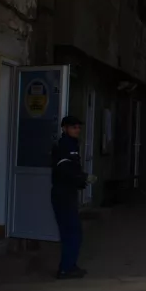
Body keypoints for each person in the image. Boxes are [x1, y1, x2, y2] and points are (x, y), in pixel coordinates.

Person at [51, 115, 88, 279]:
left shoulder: (71, 144)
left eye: (78, 127)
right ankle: (66, 268)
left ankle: (69, 265)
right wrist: (81, 178)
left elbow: (72, 170)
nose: (77, 130)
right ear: (65, 128)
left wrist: (81, 179)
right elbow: (65, 170)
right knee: (72, 232)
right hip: (63, 194)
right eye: (74, 127)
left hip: (67, 193)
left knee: (73, 232)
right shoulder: (64, 146)